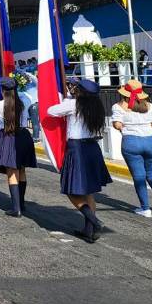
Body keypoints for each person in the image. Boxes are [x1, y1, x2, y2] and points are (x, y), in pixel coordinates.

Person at [48, 78, 112, 243]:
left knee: (72, 191)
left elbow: (51, 110)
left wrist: (67, 98)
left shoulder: (73, 104)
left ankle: (94, 221)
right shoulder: (96, 106)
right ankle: (88, 230)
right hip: (92, 148)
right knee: (88, 191)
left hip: (77, 149)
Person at [112, 79, 152, 219]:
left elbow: (117, 124)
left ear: (125, 94)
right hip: (150, 142)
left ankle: (145, 208)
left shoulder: (118, 107)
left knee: (139, 177)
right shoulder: (151, 106)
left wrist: (126, 127)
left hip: (131, 142)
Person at [0, 77, 37, 217]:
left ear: (2, 90)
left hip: (8, 137)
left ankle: (16, 208)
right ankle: (22, 203)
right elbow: (34, 90)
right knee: (22, 169)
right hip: (24, 136)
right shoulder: (24, 101)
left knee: (12, 172)